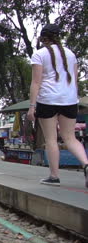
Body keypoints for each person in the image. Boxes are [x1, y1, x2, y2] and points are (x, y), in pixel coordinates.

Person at [27, 24, 88, 188]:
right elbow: (75, 80)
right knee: (70, 138)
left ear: (43, 38)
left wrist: (32, 106)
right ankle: (86, 165)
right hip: (69, 100)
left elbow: (36, 82)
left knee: (51, 139)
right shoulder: (71, 54)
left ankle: (54, 177)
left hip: (47, 100)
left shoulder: (39, 54)